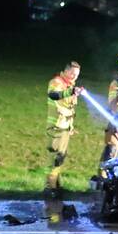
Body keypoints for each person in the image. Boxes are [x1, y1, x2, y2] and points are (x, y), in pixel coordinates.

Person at [44, 61, 83, 195]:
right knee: (54, 158)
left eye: (76, 74)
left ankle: (56, 186)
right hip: (56, 127)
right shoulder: (57, 82)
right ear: (65, 71)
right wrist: (71, 91)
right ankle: (49, 188)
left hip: (65, 128)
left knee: (60, 157)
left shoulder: (69, 85)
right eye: (72, 73)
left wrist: (71, 127)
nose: (74, 76)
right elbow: (53, 95)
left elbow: (69, 108)